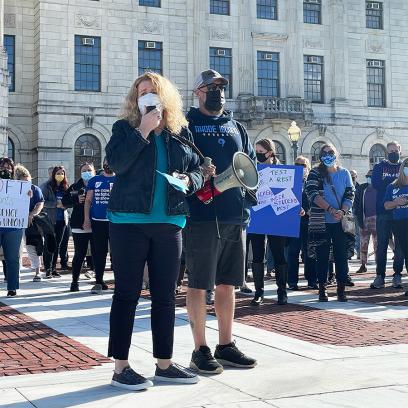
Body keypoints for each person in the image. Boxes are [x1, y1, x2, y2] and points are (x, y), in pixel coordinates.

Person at [106, 72, 203, 390]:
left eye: (152, 92)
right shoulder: (124, 128)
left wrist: (192, 180)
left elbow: (198, 169)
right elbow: (116, 164)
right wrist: (143, 130)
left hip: (169, 223)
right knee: (126, 294)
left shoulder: (179, 132)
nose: (145, 97)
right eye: (140, 93)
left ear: (166, 97)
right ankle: (121, 367)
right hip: (128, 223)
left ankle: (164, 364)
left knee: (164, 296)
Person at [185, 69, 257, 375]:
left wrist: (246, 199)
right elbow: (180, 162)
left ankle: (226, 345)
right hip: (201, 214)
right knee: (200, 284)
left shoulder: (235, 125)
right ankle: (200, 349)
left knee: (228, 284)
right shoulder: (186, 125)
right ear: (198, 92)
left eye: (221, 86)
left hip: (233, 212)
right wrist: (201, 174)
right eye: (212, 87)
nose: (218, 91)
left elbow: (249, 165)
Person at [306, 144, 355, 302]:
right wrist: (330, 209)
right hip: (322, 221)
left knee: (341, 256)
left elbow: (350, 193)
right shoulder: (315, 173)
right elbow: (312, 193)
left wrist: (342, 211)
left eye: (331, 152)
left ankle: (341, 289)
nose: (328, 155)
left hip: (340, 221)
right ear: (320, 156)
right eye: (324, 153)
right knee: (322, 255)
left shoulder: (344, 172)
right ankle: (322, 289)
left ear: (336, 154)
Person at [248, 139, 288, 306]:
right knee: (257, 255)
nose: (257, 154)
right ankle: (259, 292)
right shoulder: (252, 170)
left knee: (278, 253)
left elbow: (290, 194)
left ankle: (282, 291)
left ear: (270, 153)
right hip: (257, 216)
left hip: (276, 217)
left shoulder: (283, 171)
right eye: (255, 150)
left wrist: (297, 209)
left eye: (260, 151)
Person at [370, 141, 405, 289]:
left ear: (399, 151)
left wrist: (389, 183)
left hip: (401, 212)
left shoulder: (404, 167)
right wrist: (396, 183)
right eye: (390, 151)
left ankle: (397, 275)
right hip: (383, 211)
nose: (393, 153)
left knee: (401, 245)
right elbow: (377, 183)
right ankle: (380, 276)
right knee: (382, 244)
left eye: (395, 150)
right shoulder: (379, 167)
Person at [83, 158, 115, 294]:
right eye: (106, 162)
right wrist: (86, 219)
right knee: (99, 252)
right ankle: (99, 280)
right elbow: (88, 201)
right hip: (98, 221)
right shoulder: (94, 180)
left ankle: (119, 280)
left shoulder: (121, 179)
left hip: (116, 222)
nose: (108, 165)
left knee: (118, 253)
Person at [62, 162, 96, 292]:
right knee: (79, 254)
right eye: (84, 170)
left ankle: (99, 280)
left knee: (97, 253)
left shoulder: (98, 184)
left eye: (89, 170)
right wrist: (77, 200)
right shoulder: (75, 187)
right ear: (80, 172)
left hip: (96, 223)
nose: (87, 172)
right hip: (78, 224)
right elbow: (64, 201)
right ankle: (74, 282)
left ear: (93, 171)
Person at [287, 156, 317, 290]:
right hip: (293, 222)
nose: (300, 167)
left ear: (308, 168)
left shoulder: (312, 182)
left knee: (310, 252)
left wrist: (310, 210)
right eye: (297, 164)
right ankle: (292, 281)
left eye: (303, 165)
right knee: (293, 252)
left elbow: (317, 198)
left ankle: (311, 280)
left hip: (309, 222)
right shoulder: (288, 182)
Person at [0, 158, 29, 296]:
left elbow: (30, 198)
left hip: (13, 227)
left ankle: (12, 287)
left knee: (12, 257)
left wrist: (28, 194)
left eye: (9, 167)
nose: (6, 169)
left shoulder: (19, 185)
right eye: (3, 167)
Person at [15, 164, 45, 282]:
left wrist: (32, 214)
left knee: (32, 246)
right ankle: (15, 273)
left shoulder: (35, 189)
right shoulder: (13, 189)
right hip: (16, 222)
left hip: (30, 222)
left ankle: (37, 271)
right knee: (16, 248)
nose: (27, 184)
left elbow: (40, 203)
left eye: (28, 181)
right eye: (23, 181)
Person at [384, 159, 408, 295]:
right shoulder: (392, 187)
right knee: (405, 253)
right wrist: (396, 202)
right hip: (399, 223)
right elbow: (386, 205)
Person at [41, 166, 69, 279]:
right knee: (49, 244)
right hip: (49, 220)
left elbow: (69, 201)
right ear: (53, 174)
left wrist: (65, 205)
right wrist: (55, 204)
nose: (60, 175)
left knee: (57, 245)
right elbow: (42, 202)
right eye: (58, 173)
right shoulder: (46, 186)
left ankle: (54, 268)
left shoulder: (65, 187)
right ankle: (47, 269)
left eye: (62, 173)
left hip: (62, 220)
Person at [353, 169, 377, 273]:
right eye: (367, 176)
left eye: (371, 176)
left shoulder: (380, 188)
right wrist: (356, 214)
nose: (369, 178)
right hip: (364, 219)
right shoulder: (362, 188)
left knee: (378, 245)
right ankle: (363, 264)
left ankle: (379, 265)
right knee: (363, 243)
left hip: (377, 220)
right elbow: (356, 202)